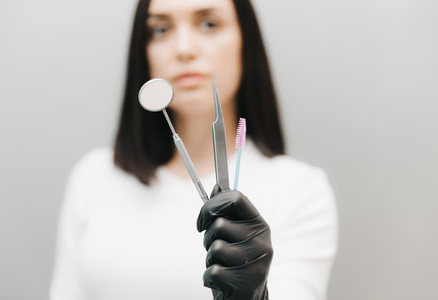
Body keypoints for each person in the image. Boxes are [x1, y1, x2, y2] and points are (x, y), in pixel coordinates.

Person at [50, 0, 338, 299]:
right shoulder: (94, 177)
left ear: (246, 40)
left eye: (209, 23)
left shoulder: (299, 189)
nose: (184, 49)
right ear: (143, 52)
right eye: (160, 29)